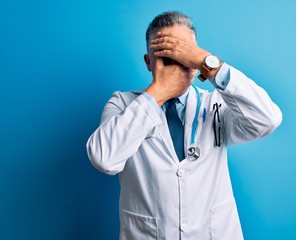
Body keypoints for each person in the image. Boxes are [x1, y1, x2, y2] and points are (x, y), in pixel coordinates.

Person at [86, 11, 282, 240]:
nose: (177, 65)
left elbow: (268, 120)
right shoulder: (123, 103)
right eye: (166, 57)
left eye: (184, 55)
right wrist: (158, 92)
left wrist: (210, 64)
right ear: (149, 62)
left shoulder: (216, 104)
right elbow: (103, 158)